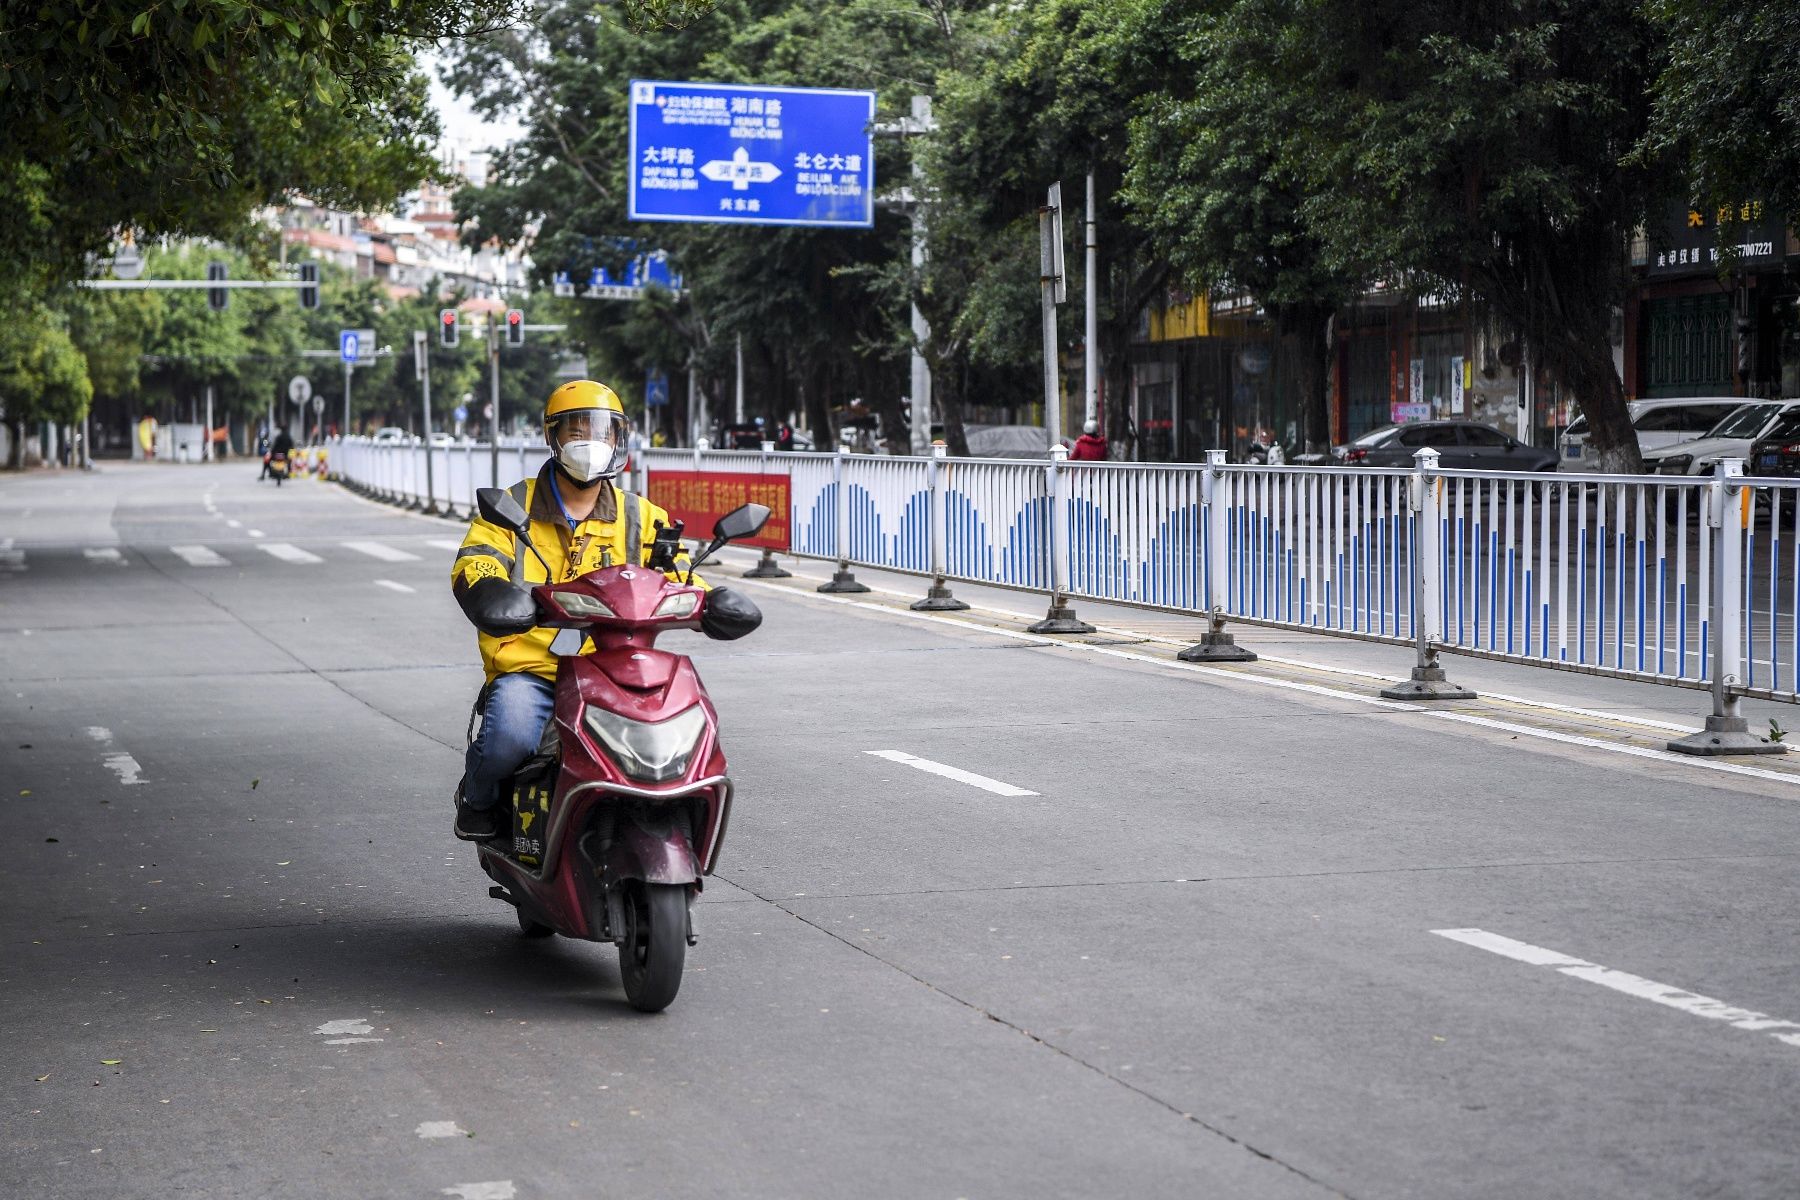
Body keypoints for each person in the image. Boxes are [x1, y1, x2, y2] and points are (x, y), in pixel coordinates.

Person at [448, 380, 760, 841]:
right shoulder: (512, 506)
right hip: (534, 667)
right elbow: (476, 559)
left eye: (602, 431)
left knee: (687, 728)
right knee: (508, 737)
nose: (589, 442)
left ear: (619, 439)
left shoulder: (642, 515)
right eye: (576, 430)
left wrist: (711, 600)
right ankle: (477, 798)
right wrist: (490, 590)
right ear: (552, 437)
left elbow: (676, 571)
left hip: (615, 667)